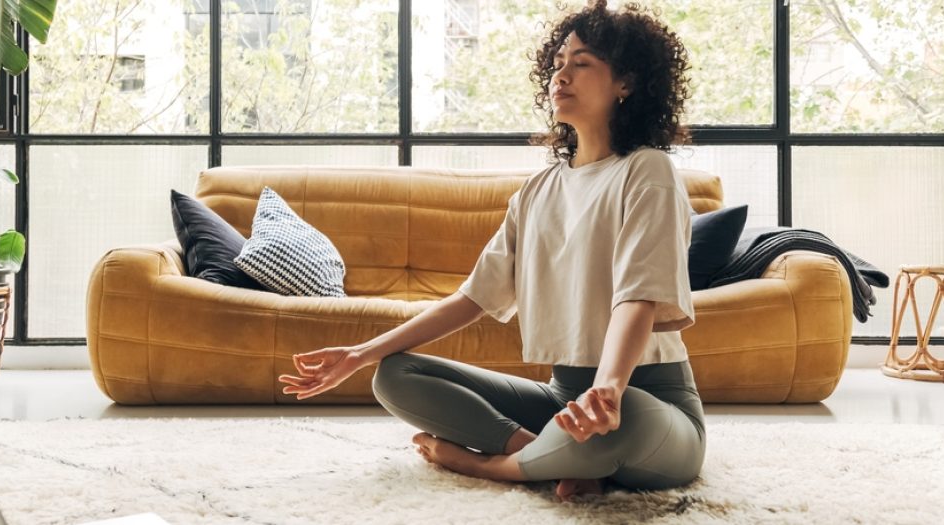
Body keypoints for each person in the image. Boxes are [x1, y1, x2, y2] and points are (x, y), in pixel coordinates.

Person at [277, 0, 703, 503]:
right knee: (395, 374)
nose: (560, 75)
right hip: (563, 400)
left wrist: (607, 391)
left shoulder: (646, 171)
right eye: (558, 63)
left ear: (626, 83)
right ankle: (539, 451)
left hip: (647, 401)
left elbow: (638, 297)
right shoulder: (538, 190)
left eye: (582, 63)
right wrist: (361, 353)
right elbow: (472, 298)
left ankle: (493, 466)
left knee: (621, 419)